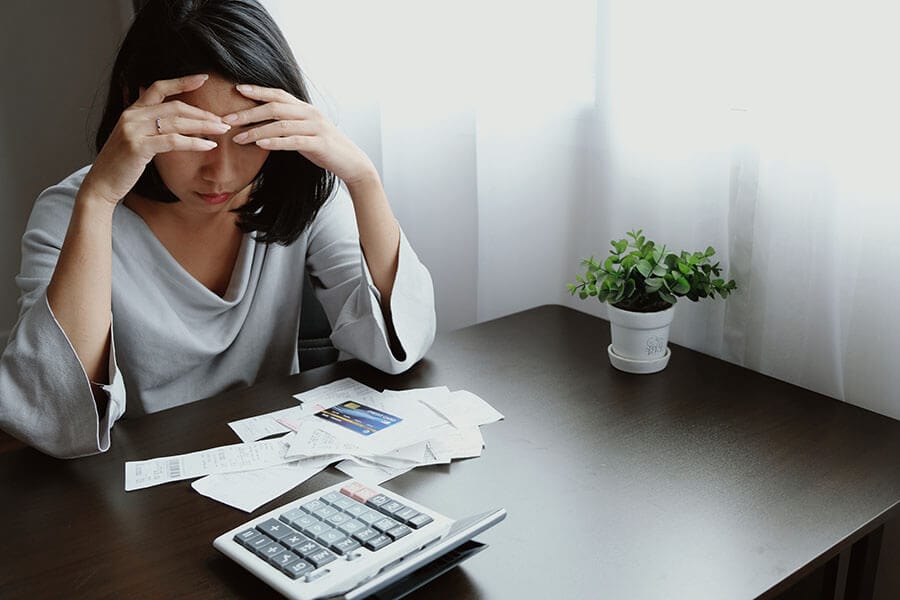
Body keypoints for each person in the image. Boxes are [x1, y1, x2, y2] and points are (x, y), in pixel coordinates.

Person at [0, 0, 436, 458]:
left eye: (246, 138)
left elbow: (398, 348)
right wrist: (98, 200)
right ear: (136, 106)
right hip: (137, 482)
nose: (221, 174)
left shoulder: (301, 193)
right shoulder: (70, 212)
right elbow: (52, 421)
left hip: (276, 460)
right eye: (197, 137)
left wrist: (363, 179)